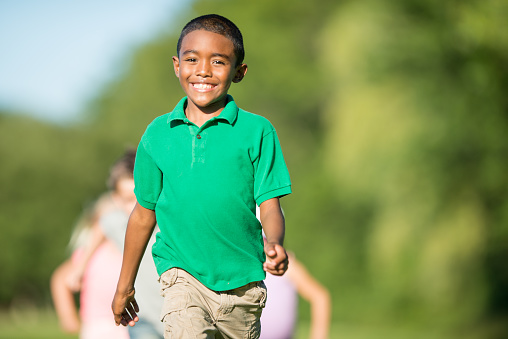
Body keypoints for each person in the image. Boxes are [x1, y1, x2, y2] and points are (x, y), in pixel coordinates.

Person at [112, 14, 292, 339]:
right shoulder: (157, 134)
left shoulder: (258, 132)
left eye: (218, 61)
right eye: (192, 59)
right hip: (182, 276)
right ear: (176, 65)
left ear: (239, 72)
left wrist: (275, 243)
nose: (203, 70)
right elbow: (142, 215)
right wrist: (125, 285)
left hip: (243, 287)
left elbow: (269, 203)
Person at [50, 193, 129, 339]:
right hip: (97, 324)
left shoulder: (130, 252)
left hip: (129, 321)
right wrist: (68, 316)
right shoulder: (88, 255)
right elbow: (60, 279)